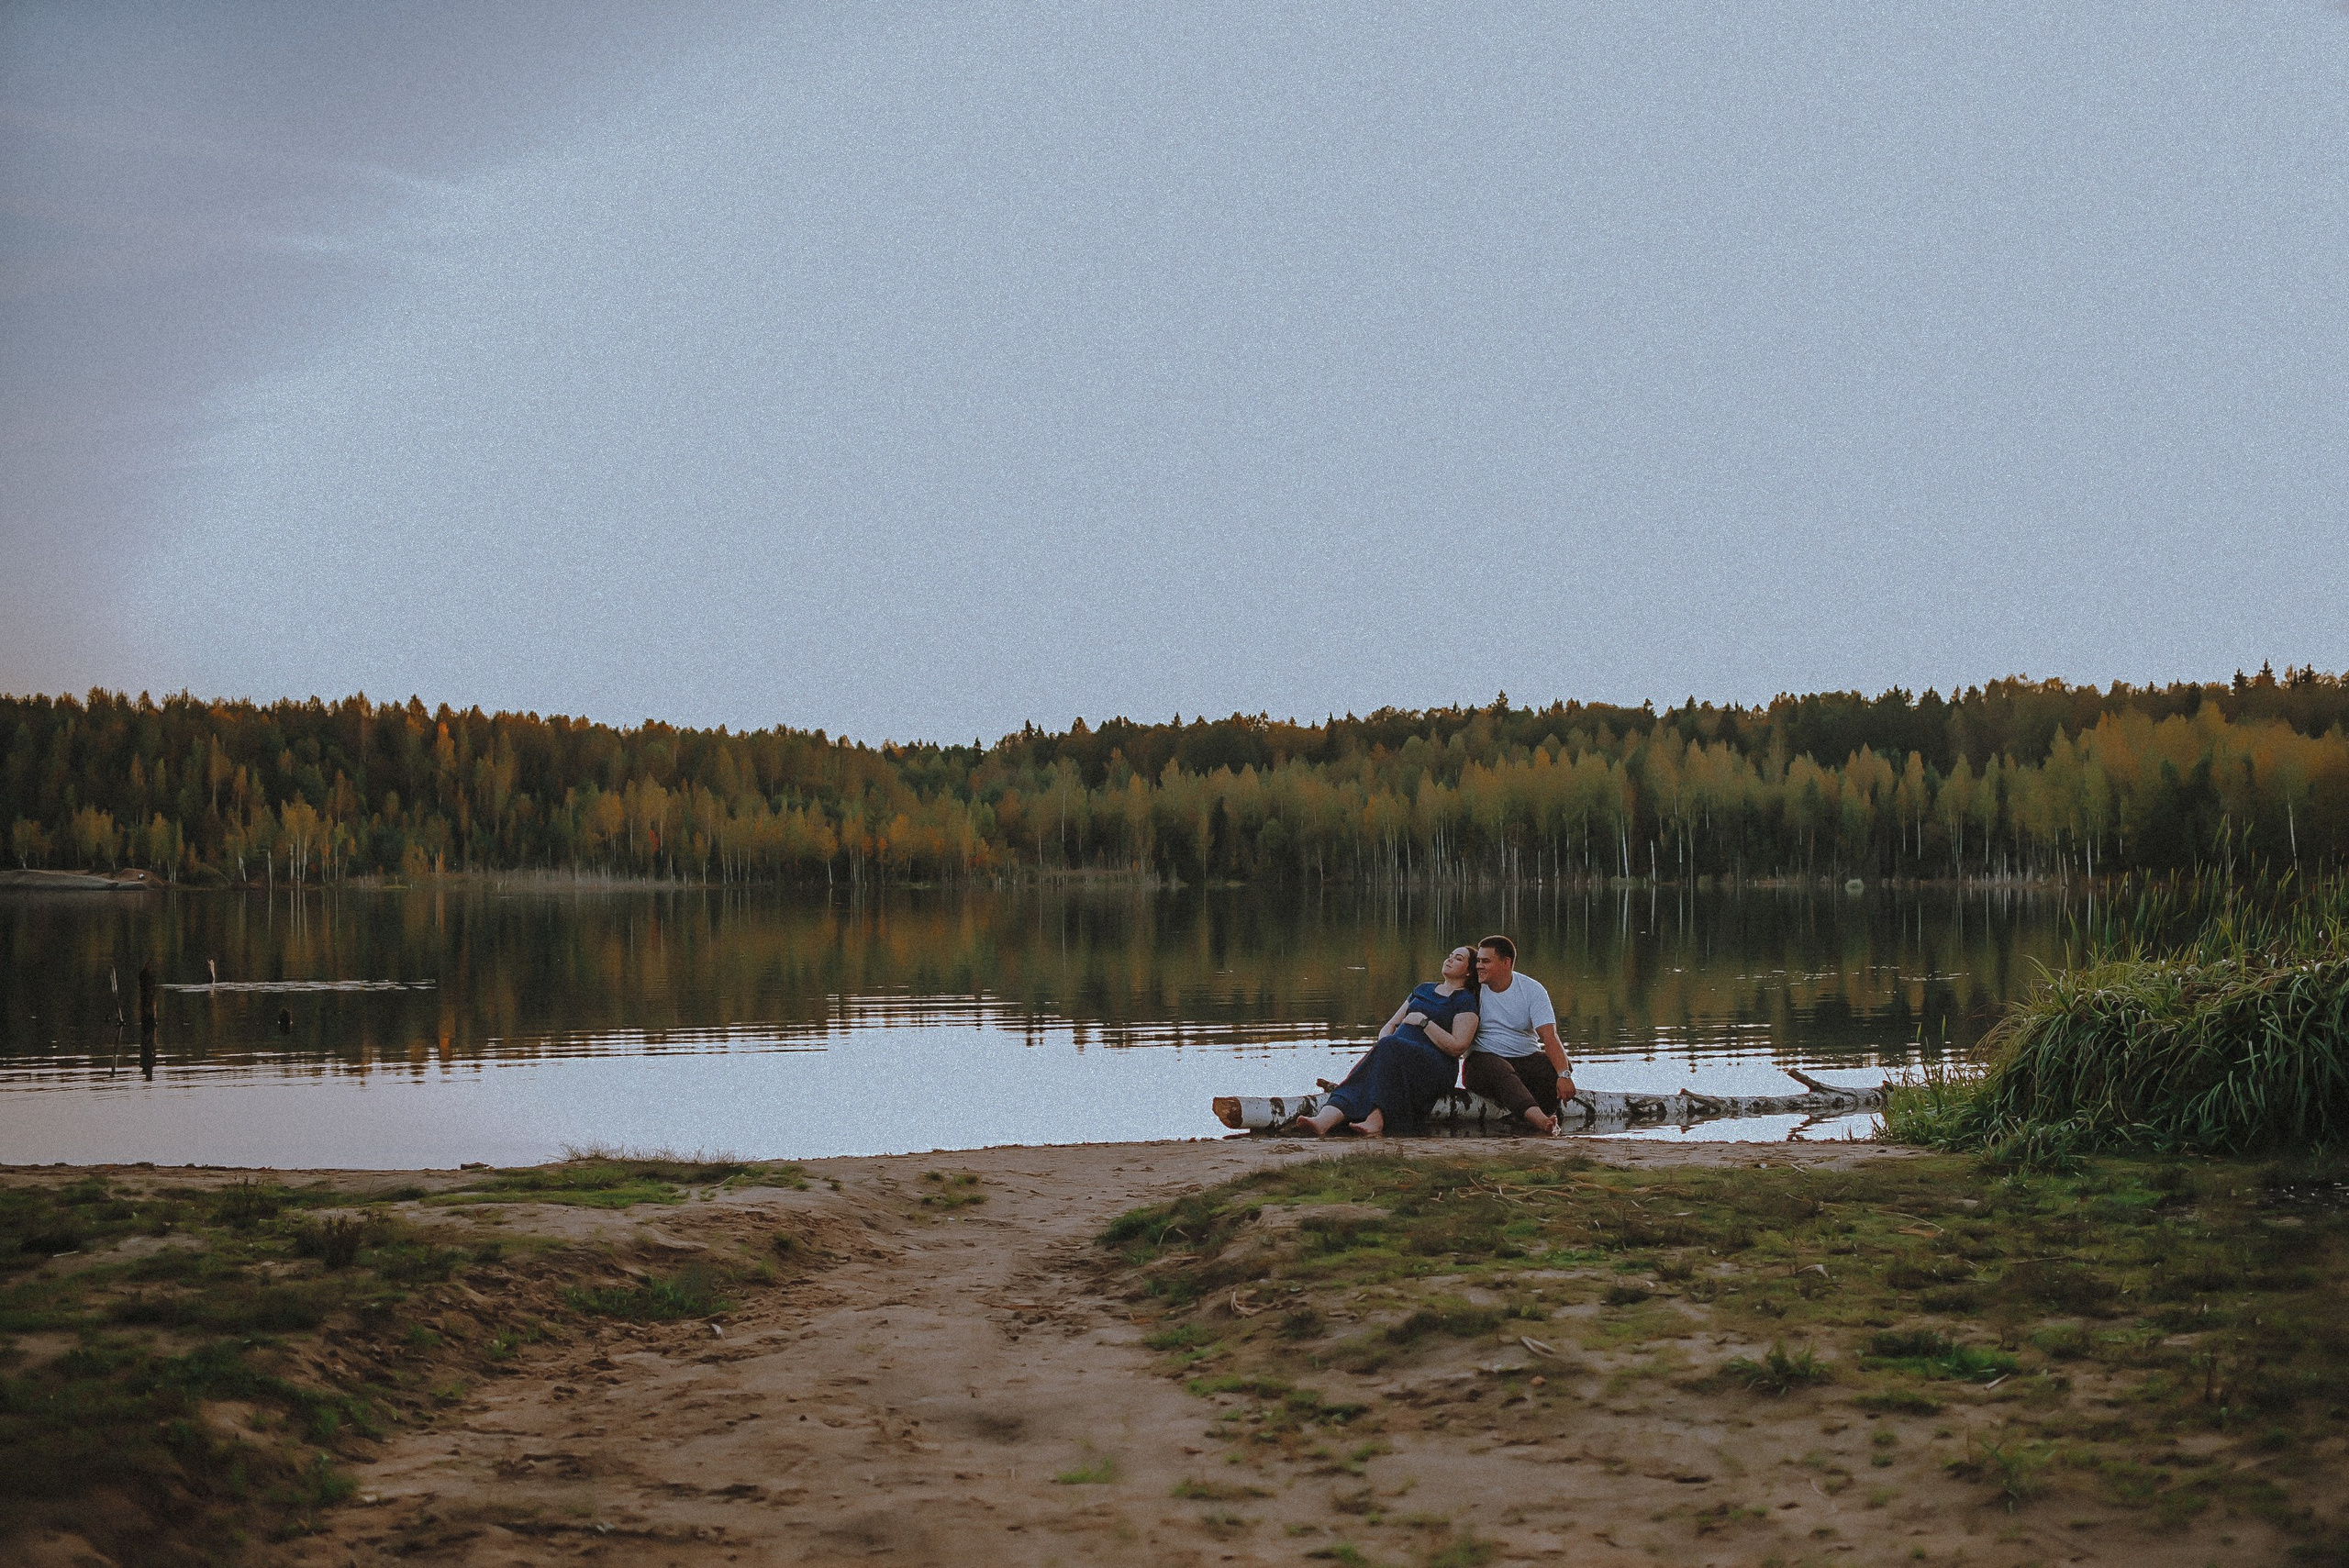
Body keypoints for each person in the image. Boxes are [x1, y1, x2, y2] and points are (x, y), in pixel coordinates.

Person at [1295, 946, 1481, 1138]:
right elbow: (1390, 1025)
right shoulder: (1423, 989)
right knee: (1382, 1055)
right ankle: (1324, 1121)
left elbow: (1458, 1046)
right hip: (1396, 1054)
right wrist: (1383, 1046)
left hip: (1435, 1066)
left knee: (1388, 1050)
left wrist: (1425, 1023)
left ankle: (1374, 1119)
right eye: (1449, 956)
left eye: (1458, 958)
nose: (1449, 960)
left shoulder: (1465, 1000)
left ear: (1469, 971)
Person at [1460, 935, 1575, 1133]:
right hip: (1482, 1065)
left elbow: (1549, 1037)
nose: (1479, 966)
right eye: (1478, 960)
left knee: (1554, 1066)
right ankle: (1540, 1120)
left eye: (1486, 961)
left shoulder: (1532, 990)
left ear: (1506, 963)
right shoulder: (1472, 989)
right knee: (1498, 1067)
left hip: (1523, 1062)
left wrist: (1564, 1075)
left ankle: (1527, 1121)